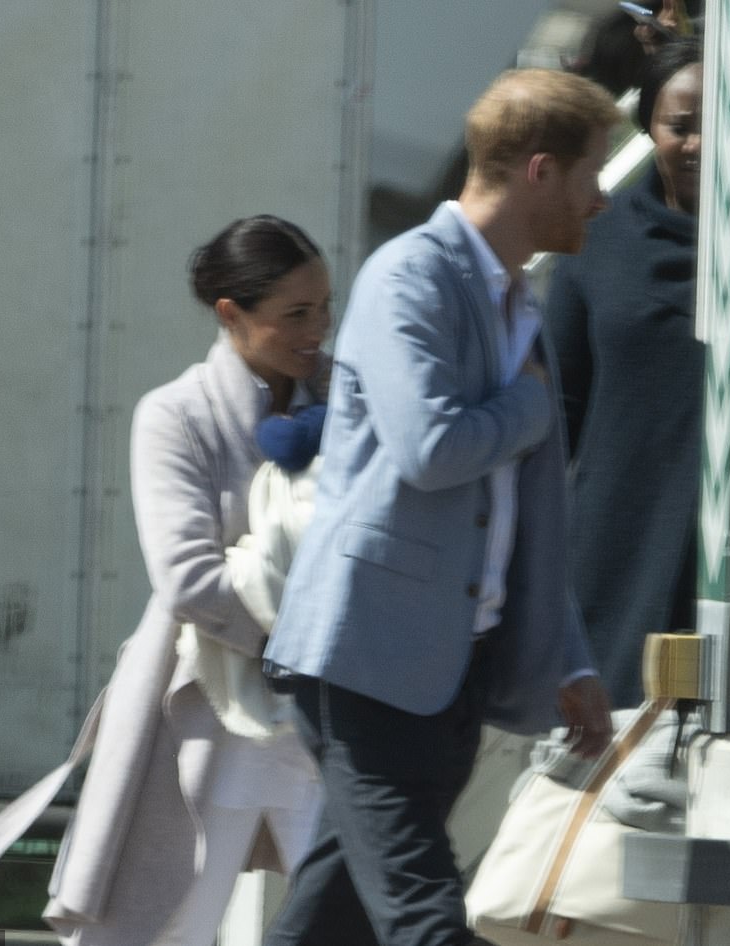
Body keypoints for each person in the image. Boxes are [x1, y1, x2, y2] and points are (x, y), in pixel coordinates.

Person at [262, 68, 621, 946]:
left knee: (334, 913)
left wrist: (567, 658)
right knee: (424, 914)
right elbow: (431, 450)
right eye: (590, 173)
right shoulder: (409, 277)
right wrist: (531, 408)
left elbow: (517, 519)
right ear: (541, 171)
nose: (601, 198)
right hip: (370, 656)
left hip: (452, 668)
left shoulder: (515, 301)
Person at [44, 215, 332, 946]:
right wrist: (308, 630)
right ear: (231, 314)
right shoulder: (174, 415)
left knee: (348, 920)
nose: (317, 329)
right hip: (202, 711)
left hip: (326, 724)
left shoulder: (349, 400)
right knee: (165, 923)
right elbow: (187, 579)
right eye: (295, 314)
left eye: (325, 307)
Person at [545, 38, 704, 710]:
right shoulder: (598, 243)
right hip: (621, 545)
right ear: (649, 128)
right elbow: (557, 412)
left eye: (719, 124)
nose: (699, 144)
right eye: (680, 126)